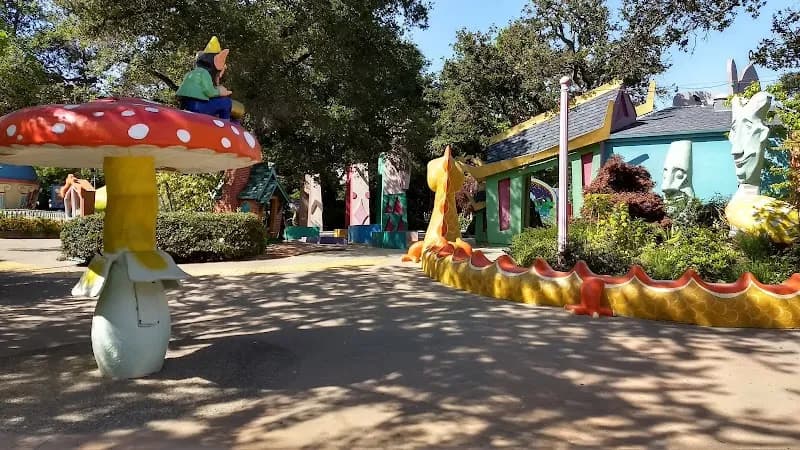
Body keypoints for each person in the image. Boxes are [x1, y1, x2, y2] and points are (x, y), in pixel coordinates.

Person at [176, 36, 234, 120]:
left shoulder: (191, 73)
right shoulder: (204, 74)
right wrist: (220, 91)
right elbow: (209, 92)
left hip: (185, 105)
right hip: (198, 107)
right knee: (226, 102)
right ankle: (226, 124)